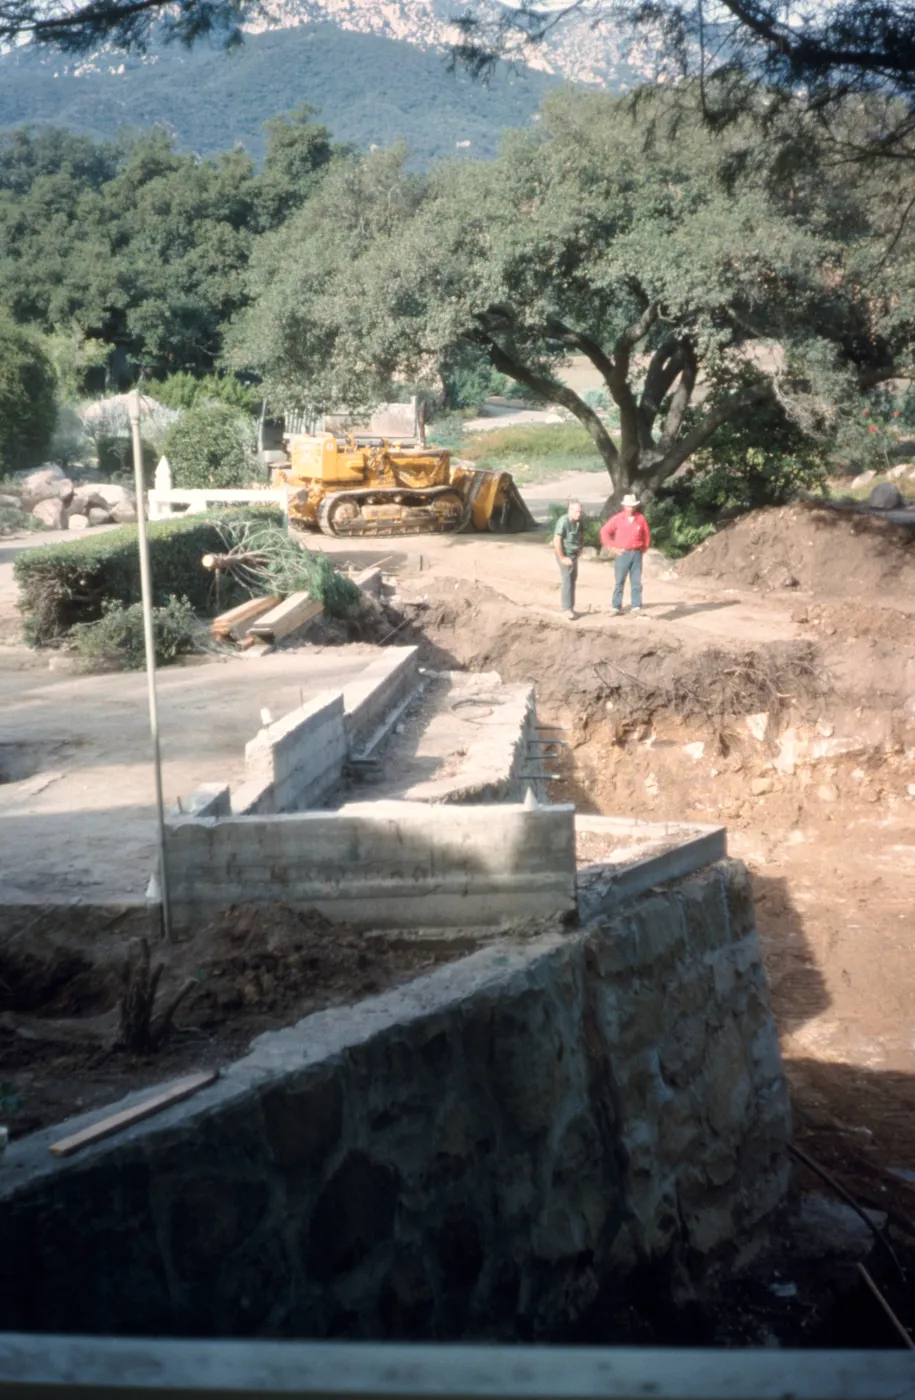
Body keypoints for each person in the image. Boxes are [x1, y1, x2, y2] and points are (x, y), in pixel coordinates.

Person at [600, 493, 651, 615]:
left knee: (636, 581)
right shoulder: (617, 518)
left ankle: (636, 606)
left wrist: (643, 549)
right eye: (628, 506)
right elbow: (604, 531)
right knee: (619, 581)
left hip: (636, 552)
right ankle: (616, 606)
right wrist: (612, 547)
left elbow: (646, 535)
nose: (630, 508)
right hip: (623, 553)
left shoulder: (640, 519)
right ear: (624, 506)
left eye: (632, 506)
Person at [552, 499, 584, 619]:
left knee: (573, 579)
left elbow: (581, 534)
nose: (579, 514)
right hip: (565, 553)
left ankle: (571, 607)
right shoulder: (563, 521)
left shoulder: (579, 522)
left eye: (580, 511)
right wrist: (562, 557)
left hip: (574, 554)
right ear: (570, 511)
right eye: (576, 511)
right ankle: (566, 609)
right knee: (567, 580)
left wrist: (580, 547)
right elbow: (557, 540)